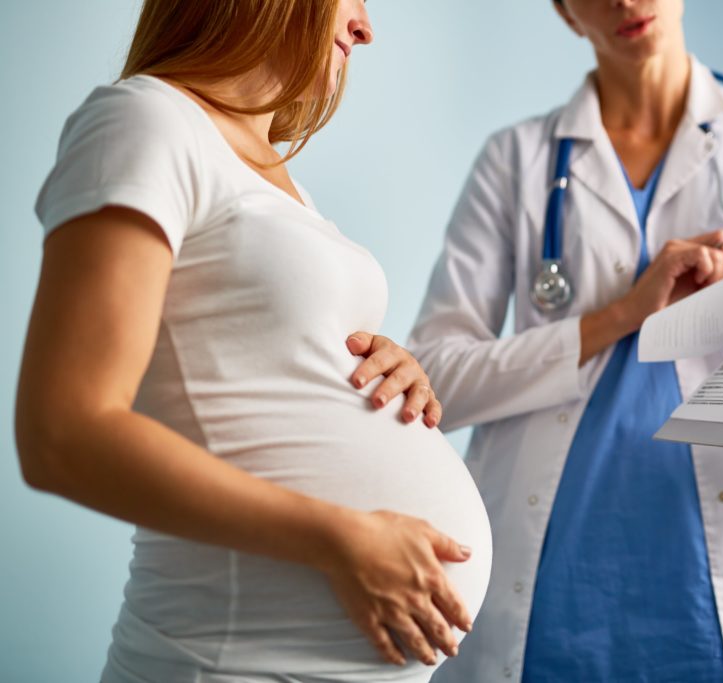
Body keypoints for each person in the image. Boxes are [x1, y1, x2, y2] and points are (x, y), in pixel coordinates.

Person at [407, 1, 723, 681]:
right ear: (563, 11)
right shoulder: (514, 160)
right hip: (552, 580)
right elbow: (434, 379)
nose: (624, 1)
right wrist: (625, 311)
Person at [15, 1, 492, 681]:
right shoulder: (146, 119)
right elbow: (62, 434)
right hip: (223, 660)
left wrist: (384, 371)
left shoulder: (285, 184)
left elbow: (250, 355)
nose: (364, 27)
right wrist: (341, 538)